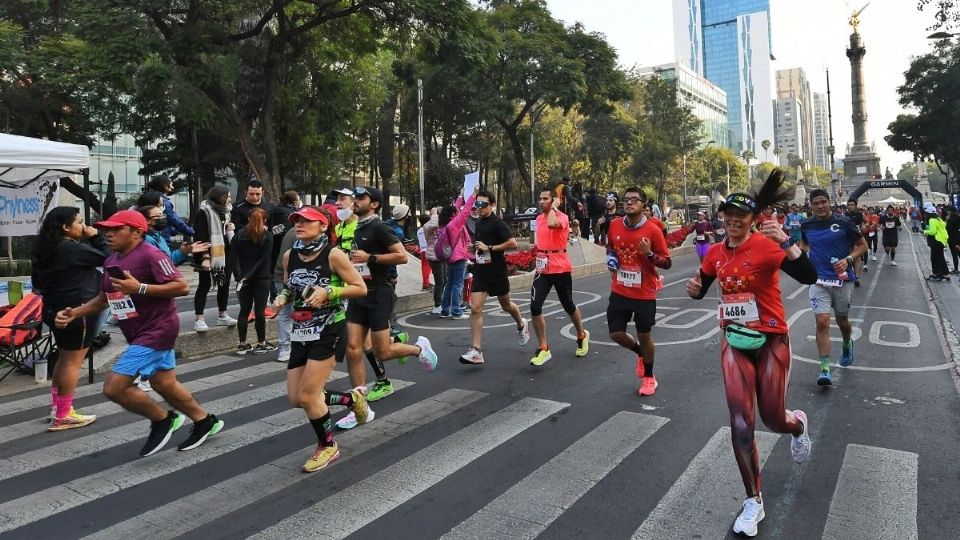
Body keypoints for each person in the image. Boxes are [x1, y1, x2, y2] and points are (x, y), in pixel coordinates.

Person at [685, 170, 817, 538]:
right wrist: (694, 289)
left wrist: (787, 241)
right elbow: (702, 287)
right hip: (734, 339)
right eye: (728, 214)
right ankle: (753, 499)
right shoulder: (714, 253)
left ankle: (797, 425)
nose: (733, 220)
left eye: (741, 215)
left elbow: (808, 275)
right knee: (742, 423)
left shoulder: (767, 246)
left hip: (772, 339)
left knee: (773, 419)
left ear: (753, 219)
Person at [55, 210, 224, 456]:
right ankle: (204, 421)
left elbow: (182, 286)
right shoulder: (111, 260)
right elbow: (105, 298)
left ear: (136, 232)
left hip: (158, 329)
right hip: (136, 330)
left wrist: (140, 287)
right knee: (164, 383)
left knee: (114, 387)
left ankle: (162, 419)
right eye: (106, 230)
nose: (108, 234)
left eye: (115, 229)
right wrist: (75, 313)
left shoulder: (151, 255)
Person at [273, 205, 369, 472]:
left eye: (306, 221)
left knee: (309, 394)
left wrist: (329, 292)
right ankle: (351, 400)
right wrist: (281, 300)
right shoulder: (289, 256)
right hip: (301, 331)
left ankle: (327, 446)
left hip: (329, 329)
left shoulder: (334, 255)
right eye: (297, 221)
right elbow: (289, 287)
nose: (299, 225)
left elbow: (359, 288)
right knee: (296, 398)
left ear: (322, 225)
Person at [344, 186, 439, 412]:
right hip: (358, 293)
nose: (355, 201)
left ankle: (419, 349)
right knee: (352, 349)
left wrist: (371, 258)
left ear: (374, 203)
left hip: (379, 293)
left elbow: (400, 256)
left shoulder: (380, 228)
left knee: (382, 352)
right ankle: (359, 404)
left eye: (361, 198)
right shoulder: (353, 228)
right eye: (354, 198)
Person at [32, 207, 108, 430]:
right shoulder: (70, 248)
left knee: (64, 358)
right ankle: (64, 414)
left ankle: (58, 406)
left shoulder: (45, 249)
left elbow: (37, 282)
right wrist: (95, 236)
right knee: (73, 362)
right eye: (79, 222)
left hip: (54, 308)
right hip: (77, 309)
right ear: (66, 227)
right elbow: (108, 258)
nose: (83, 226)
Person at [605, 188, 671, 395]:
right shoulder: (614, 224)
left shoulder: (653, 231)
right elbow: (611, 246)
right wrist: (612, 258)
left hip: (644, 292)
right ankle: (640, 354)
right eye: (626, 200)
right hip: (620, 289)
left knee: (644, 335)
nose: (629, 203)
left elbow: (667, 262)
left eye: (635, 200)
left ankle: (649, 377)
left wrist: (649, 253)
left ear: (644, 205)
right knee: (616, 333)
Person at [798, 189, 868, 385]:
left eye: (823, 202)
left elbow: (862, 246)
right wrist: (795, 254)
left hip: (842, 280)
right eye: (816, 203)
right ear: (810, 206)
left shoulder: (844, 223)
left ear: (830, 203)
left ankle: (847, 343)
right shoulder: (806, 224)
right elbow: (803, 245)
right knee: (822, 322)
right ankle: (825, 368)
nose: (820, 206)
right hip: (817, 280)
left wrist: (848, 259)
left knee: (842, 321)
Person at [458, 190, 530, 365]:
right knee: (475, 308)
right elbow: (481, 247)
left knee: (506, 305)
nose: (479, 207)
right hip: (481, 271)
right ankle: (476, 351)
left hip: (496, 271)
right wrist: (473, 249)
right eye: (477, 204)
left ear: (492, 205)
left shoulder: (498, 223)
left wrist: (489, 247)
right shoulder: (479, 223)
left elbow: (512, 243)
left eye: (483, 204)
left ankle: (521, 323)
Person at [528, 187, 591, 366]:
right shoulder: (539, 218)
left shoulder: (561, 217)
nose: (541, 202)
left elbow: (551, 224)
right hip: (543, 268)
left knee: (568, 304)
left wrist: (555, 207)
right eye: (540, 198)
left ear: (554, 200)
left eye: (546, 199)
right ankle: (543, 348)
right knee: (535, 306)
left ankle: (581, 334)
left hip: (560, 267)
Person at [230, 208, 276, 354]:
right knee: (259, 311)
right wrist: (250, 275)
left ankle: (242, 343)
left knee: (244, 311)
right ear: (265, 220)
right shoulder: (267, 236)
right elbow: (264, 259)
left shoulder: (238, 236)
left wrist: (240, 276)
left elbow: (233, 258)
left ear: (248, 218)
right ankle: (261, 343)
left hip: (243, 278)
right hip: (261, 277)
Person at [192, 185, 238, 332]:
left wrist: (231, 228)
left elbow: (226, 232)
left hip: (225, 253)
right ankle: (199, 318)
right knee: (204, 285)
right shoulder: (204, 212)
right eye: (227, 196)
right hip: (208, 254)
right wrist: (205, 257)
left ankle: (223, 315)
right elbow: (200, 236)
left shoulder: (227, 211)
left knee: (224, 284)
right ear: (219, 196)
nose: (230, 199)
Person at [439, 188, 478, 319]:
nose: (458, 211)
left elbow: (455, 208)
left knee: (450, 283)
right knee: (458, 284)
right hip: (459, 257)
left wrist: (461, 195)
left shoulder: (445, 224)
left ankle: (445, 310)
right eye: (456, 212)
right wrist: (473, 194)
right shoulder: (454, 224)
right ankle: (456, 311)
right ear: (453, 215)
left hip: (450, 258)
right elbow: (466, 211)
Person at [147, 175, 194, 241]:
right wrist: (194, 232)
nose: (173, 187)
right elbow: (176, 221)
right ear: (165, 186)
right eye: (171, 184)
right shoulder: (163, 202)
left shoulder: (150, 198)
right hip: (161, 239)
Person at [422, 207, 446, 314]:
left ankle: (442, 302)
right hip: (434, 256)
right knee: (439, 281)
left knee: (444, 279)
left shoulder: (440, 225)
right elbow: (434, 224)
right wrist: (435, 213)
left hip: (441, 255)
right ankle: (437, 305)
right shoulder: (428, 226)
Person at [922, 202, 950, 281]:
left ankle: (943, 274)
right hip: (941, 241)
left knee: (937, 258)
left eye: (926, 212)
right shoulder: (938, 219)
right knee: (937, 257)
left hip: (936, 240)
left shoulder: (932, 220)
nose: (925, 213)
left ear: (929, 213)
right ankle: (939, 274)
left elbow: (933, 231)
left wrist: (924, 231)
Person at [845, 200, 866, 285]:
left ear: (855, 206)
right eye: (848, 205)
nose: (850, 206)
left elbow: (866, 222)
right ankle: (852, 273)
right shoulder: (844, 216)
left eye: (852, 205)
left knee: (857, 258)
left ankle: (856, 277)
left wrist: (864, 225)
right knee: (850, 258)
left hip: (857, 238)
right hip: (848, 239)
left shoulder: (860, 214)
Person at [416, 213, 432, 291]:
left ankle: (426, 282)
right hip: (428, 250)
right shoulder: (428, 230)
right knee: (427, 268)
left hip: (422, 250)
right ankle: (426, 284)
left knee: (424, 268)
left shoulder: (419, 230)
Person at [946, 206, 960, 275]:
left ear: (951, 211)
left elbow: (948, 230)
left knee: (954, 255)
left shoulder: (950, 220)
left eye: (949, 211)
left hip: (952, 240)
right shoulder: (958, 218)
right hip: (958, 239)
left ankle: (956, 269)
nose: (948, 212)